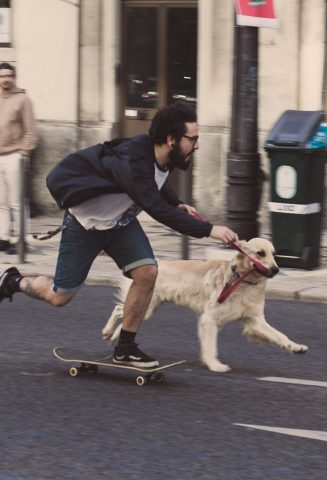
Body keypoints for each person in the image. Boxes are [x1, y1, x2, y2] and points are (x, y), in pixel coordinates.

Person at [0, 100, 238, 367]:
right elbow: (155, 207)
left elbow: (158, 184)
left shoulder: (165, 156)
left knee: (147, 272)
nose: (197, 144)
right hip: (85, 226)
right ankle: (13, 281)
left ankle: (126, 347)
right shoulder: (133, 162)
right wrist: (210, 230)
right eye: (192, 139)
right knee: (60, 297)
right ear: (172, 139)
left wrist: (177, 203)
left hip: (121, 226)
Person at [0, 62, 38, 254]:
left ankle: (21, 240)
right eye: (2, 76)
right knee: (1, 201)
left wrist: (24, 153)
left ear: (14, 77)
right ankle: (4, 237)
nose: (5, 79)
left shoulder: (22, 99)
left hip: (15, 155)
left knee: (17, 201)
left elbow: (31, 130)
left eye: (9, 75)